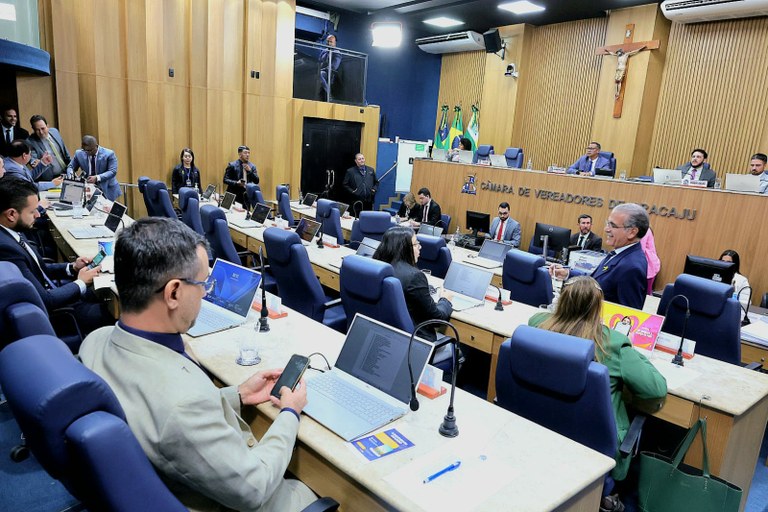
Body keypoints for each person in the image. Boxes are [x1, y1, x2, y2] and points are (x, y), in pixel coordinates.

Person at [78, 217, 316, 511]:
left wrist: (236, 395)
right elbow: (254, 489)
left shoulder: (95, 341)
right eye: (203, 284)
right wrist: (290, 413)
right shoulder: (184, 404)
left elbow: (155, 411)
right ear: (173, 293)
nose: (205, 293)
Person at [528, 276, 666, 500]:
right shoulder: (613, 343)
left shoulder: (537, 323)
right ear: (598, 307)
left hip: (541, 427)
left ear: (561, 300)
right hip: (592, 445)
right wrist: (634, 353)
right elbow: (656, 389)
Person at [0, 178, 113, 335]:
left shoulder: (12, 231)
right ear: (11, 214)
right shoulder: (6, 248)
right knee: (113, 313)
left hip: (55, 294)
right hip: (58, 315)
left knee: (100, 294)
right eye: (32, 211)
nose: (38, 215)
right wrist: (81, 281)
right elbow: (47, 300)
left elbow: (39, 268)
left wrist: (72, 267)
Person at [551, 203, 649, 309]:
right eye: (608, 223)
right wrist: (567, 273)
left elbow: (627, 314)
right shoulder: (618, 253)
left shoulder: (631, 267)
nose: (606, 229)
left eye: (613, 225)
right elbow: (595, 280)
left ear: (632, 232)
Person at [373, 225, 452, 341]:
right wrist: (445, 300)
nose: (420, 247)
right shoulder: (415, 277)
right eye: (416, 244)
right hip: (415, 342)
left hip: (381, 333)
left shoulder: (377, 267)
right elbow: (437, 319)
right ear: (403, 248)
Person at [67, 135, 122, 201]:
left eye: (90, 150)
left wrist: (97, 178)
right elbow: (71, 167)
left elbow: (112, 171)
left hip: (107, 189)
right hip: (89, 190)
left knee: (107, 207)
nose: (88, 153)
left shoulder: (109, 154)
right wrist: (70, 175)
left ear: (96, 146)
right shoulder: (79, 153)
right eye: (85, 151)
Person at [26, 114, 71, 182]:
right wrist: (37, 162)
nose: (41, 132)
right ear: (33, 129)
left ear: (47, 126)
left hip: (66, 173)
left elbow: (64, 151)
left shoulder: (55, 132)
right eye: (37, 130)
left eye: (43, 128)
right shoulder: (30, 141)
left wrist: (71, 168)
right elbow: (33, 159)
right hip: (50, 179)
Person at [720, 249, 750, 317]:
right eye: (722, 261)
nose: (725, 264)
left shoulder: (742, 280)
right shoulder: (714, 276)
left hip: (730, 312)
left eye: (729, 262)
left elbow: (746, 303)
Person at [318, 34, 341, 100]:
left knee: (319, 74)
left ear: (335, 43)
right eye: (328, 41)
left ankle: (329, 95)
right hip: (321, 70)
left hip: (330, 73)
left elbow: (334, 67)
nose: (328, 43)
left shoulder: (337, 52)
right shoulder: (324, 51)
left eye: (331, 42)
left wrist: (323, 69)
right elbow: (319, 61)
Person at [641, 227, 660, 295]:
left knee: (646, 294)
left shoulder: (645, 230)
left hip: (649, 266)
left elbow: (640, 250)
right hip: (646, 265)